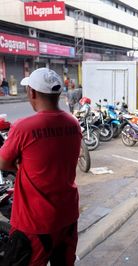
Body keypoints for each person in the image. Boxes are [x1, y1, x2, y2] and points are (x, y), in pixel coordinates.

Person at [0, 68, 82, 265]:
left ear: (32, 93)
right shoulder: (73, 123)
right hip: (67, 215)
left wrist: (20, 166)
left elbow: (3, 162)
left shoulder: (24, 127)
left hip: (34, 222)